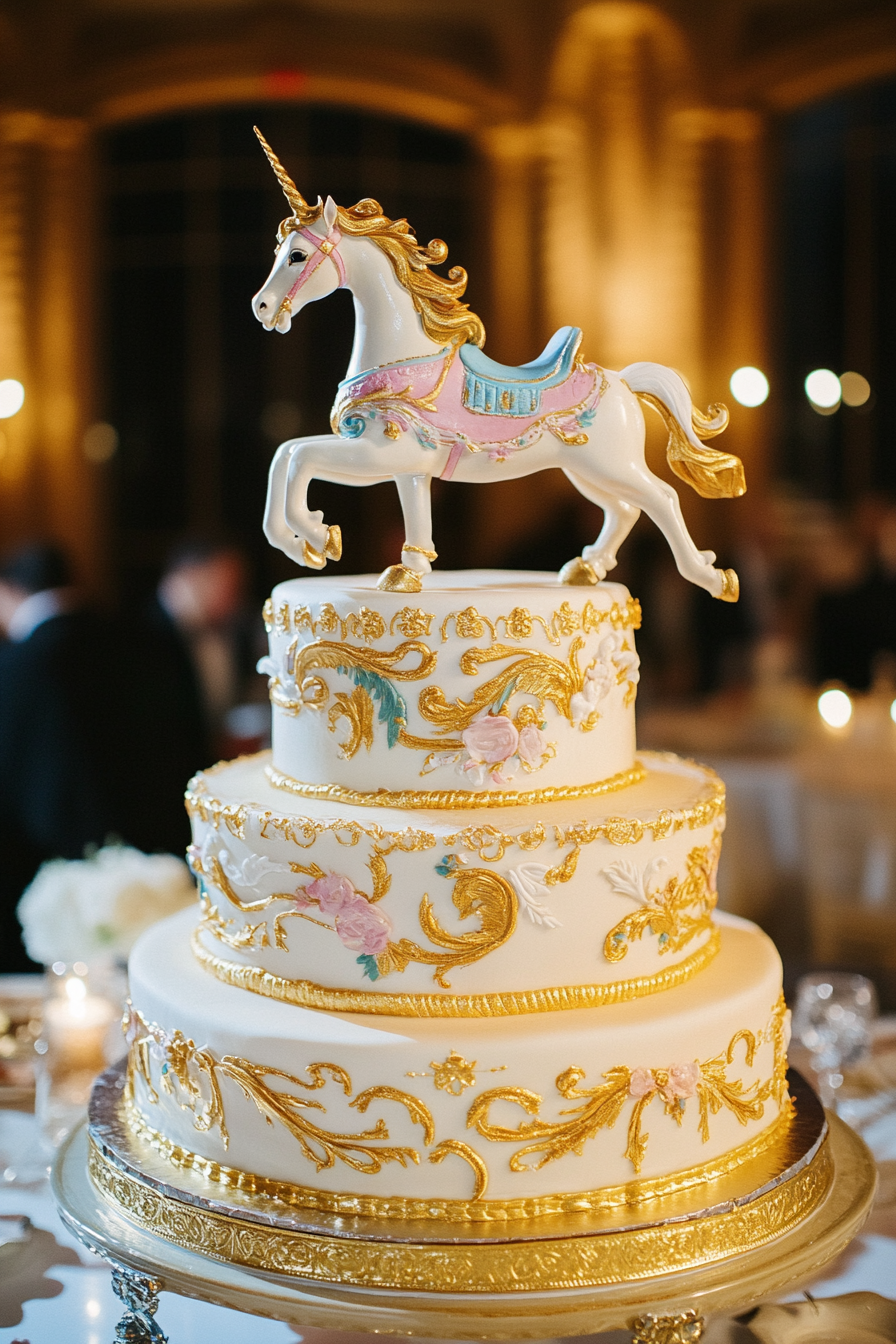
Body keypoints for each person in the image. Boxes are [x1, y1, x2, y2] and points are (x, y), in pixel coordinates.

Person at [0, 542, 120, 971]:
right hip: (135, 854)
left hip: (36, 865)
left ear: (10, 589)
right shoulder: (130, 644)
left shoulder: (16, 666)